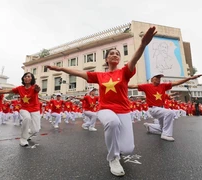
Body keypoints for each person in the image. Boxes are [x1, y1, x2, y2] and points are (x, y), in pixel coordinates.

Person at [47, 26, 157, 177]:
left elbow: (134, 59)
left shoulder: (124, 72)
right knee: (112, 122)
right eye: (111, 53)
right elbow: (78, 72)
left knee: (128, 149)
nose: (114, 55)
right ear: (106, 59)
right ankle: (112, 158)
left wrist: (143, 45)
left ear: (119, 58)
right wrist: (60, 69)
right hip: (105, 108)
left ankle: (117, 148)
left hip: (124, 110)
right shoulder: (99, 76)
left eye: (117, 53)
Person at [129, 73, 202, 141]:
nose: (158, 79)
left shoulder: (163, 86)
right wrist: (120, 84)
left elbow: (177, 83)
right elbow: (133, 86)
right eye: (156, 77)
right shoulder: (146, 86)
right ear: (152, 79)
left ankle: (150, 127)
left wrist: (189, 78)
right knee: (170, 112)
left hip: (161, 109)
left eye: (159, 78)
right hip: (153, 109)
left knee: (162, 127)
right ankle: (166, 134)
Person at [0, 72, 41, 146]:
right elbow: (6, 91)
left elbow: (38, 89)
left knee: (36, 130)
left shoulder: (34, 87)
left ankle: (28, 133)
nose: (26, 78)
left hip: (35, 109)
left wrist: (38, 89)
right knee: (27, 118)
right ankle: (23, 139)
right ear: (23, 78)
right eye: (25, 76)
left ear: (32, 78)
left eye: (29, 76)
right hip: (24, 108)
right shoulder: (19, 88)